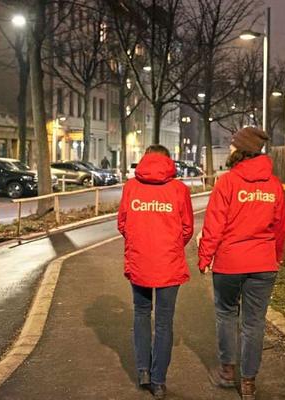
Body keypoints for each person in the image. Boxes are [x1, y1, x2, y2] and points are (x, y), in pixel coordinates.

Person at [198, 127, 285, 400]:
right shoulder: (273, 185)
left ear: (241, 150)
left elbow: (214, 225)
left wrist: (205, 256)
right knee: (254, 322)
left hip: (230, 262)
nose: (229, 149)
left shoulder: (227, 183)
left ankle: (227, 372)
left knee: (226, 314)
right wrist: (277, 256)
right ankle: (248, 382)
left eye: (232, 145)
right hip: (263, 263)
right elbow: (281, 227)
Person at [117, 144, 194, 399]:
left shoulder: (131, 188)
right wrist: (170, 246)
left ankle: (143, 372)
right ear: (168, 161)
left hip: (140, 262)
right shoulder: (179, 190)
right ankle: (159, 381)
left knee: (140, 313)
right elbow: (187, 229)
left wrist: (140, 243)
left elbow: (122, 224)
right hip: (169, 264)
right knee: (163, 322)